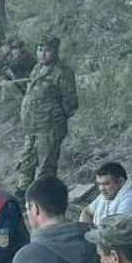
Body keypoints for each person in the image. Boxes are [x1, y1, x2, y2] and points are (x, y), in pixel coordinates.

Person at [16, 34, 79, 195]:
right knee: (26, 163)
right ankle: (23, 196)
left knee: (45, 168)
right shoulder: (37, 68)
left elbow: (70, 102)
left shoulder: (62, 72)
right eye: (39, 50)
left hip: (49, 128)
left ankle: (44, 202)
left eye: (47, 50)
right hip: (32, 127)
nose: (42, 54)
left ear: (55, 51)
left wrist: (56, 119)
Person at [80, 162, 132, 255]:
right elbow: (86, 212)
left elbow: (118, 237)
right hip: (118, 250)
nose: (102, 188)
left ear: (121, 181)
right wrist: (83, 231)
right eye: (99, 184)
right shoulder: (108, 193)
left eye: (106, 183)